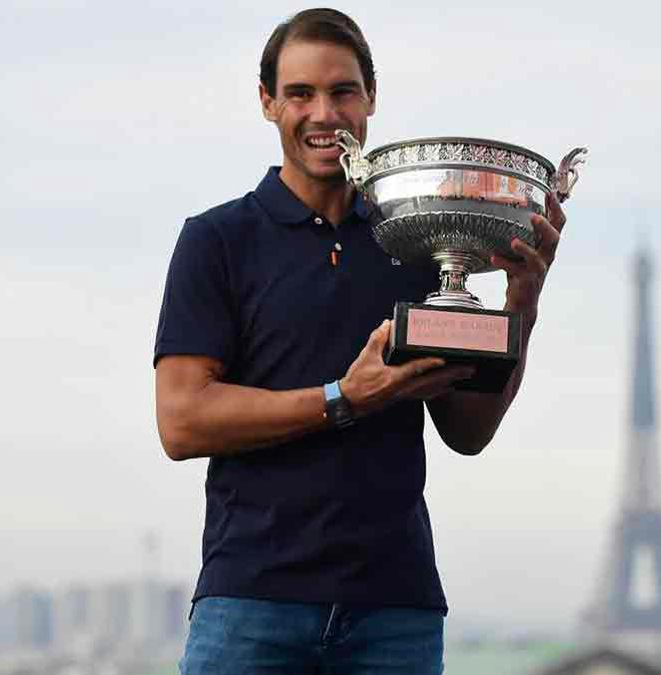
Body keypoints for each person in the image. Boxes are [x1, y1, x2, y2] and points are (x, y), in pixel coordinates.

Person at [153, 8, 568, 674]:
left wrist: (522, 300)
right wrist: (343, 397)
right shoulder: (217, 240)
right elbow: (181, 419)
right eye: (300, 94)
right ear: (267, 103)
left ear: (370, 98)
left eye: (343, 91)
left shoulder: (415, 245)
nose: (324, 112)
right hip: (252, 603)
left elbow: (468, 430)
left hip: (392, 610)